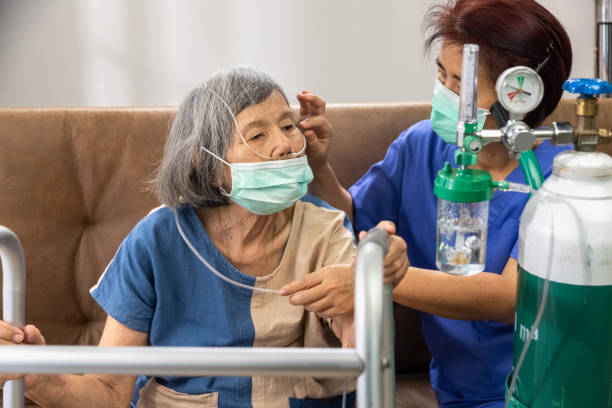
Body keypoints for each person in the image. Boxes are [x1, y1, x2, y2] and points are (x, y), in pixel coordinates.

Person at [0, 66, 409, 407]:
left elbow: (366, 359)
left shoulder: (324, 231)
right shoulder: (158, 239)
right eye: (257, 135)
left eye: (288, 125)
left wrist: (366, 292)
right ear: (209, 165)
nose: (285, 145)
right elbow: (110, 389)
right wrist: (38, 377)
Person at [281, 1, 573, 407]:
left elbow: (513, 297)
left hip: (546, 389)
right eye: (441, 74)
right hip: (456, 391)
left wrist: (376, 280)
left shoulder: (563, 176)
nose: (445, 93)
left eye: (462, 84)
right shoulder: (422, 146)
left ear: (517, 96)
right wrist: (318, 166)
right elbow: (355, 219)